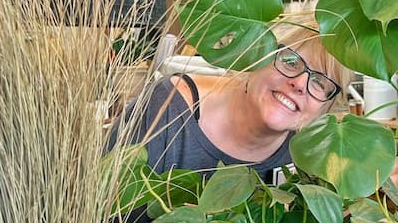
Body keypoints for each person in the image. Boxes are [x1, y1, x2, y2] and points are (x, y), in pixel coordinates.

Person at [108, 25, 349, 183]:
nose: (299, 83)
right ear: (257, 56)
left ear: (325, 107)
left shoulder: (309, 156)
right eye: (290, 61)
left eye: (319, 82)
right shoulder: (167, 106)